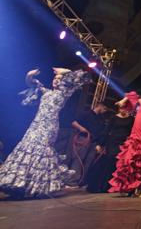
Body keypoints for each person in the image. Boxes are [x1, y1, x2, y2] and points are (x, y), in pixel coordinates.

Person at [0, 67, 90, 198]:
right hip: (36, 124)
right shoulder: (46, 92)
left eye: (59, 80)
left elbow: (76, 77)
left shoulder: (64, 93)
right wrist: (29, 75)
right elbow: (32, 83)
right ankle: (20, 183)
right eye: (55, 79)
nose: (56, 81)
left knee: (41, 151)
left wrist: (62, 72)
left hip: (49, 126)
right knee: (27, 148)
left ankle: (37, 186)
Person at [86, 102, 134, 193]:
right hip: (112, 142)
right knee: (111, 160)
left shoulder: (131, 119)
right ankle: (107, 185)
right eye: (121, 108)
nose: (122, 110)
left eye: (124, 108)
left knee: (122, 163)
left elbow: (133, 132)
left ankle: (119, 185)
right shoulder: (113, 118)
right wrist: (99, 144)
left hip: (125, 143)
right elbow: (106, 131)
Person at [66, 102, 108, 187]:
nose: (105, 111)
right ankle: (71, 182)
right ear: (99, 106)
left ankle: (81, 181)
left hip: (94, 142)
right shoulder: (87, 114)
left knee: (88, 161)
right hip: (84, 139)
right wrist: (82, 129)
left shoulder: (101, 119)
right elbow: (74, 122)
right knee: (79, 159)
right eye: (104, 108)